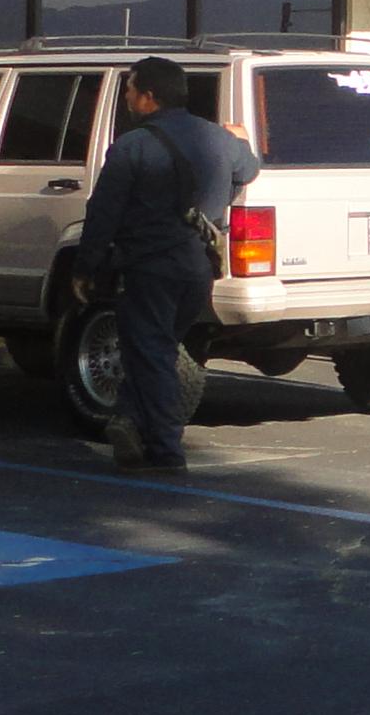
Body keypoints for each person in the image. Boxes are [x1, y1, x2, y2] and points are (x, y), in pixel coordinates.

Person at [78, 55, 258, 470]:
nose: (126, 96)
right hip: (197, 268)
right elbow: (248, 170)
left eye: (130, 88)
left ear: (149, 97)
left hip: (148, 268)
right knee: (152, 349)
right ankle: (128, 420)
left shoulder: (132, 146)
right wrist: (243, 141)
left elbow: (103, 212)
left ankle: (164, 448)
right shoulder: (218, 140)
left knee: (152, 352)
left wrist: (86, 267)